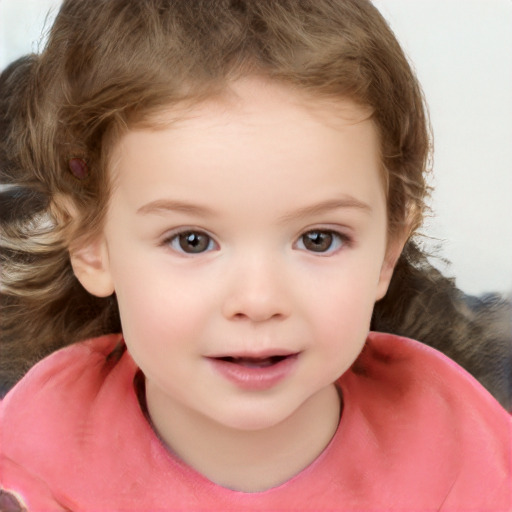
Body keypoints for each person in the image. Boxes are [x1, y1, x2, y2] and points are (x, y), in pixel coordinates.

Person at [0, 0, 510, 509]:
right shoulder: (33, 459)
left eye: (319, 239)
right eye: (191, 240)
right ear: (90, 245)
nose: (259, 300)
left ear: (387, 251)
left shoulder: (458, 443)